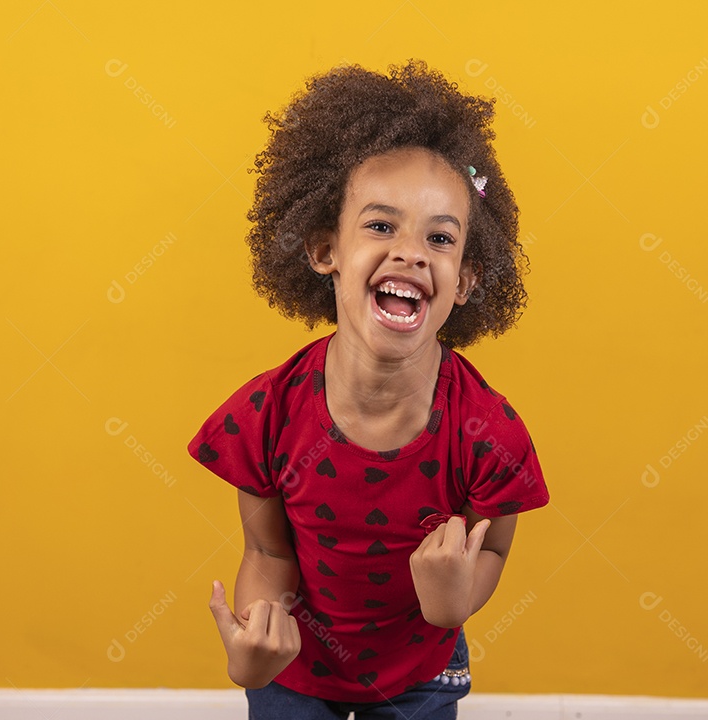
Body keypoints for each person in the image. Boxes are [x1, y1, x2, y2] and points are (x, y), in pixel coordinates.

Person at [187, 59, 550, 719]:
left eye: (439, 237)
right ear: (325, 249)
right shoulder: (266, 416)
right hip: (295, 668)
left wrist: (457, 600)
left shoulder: (489, 435)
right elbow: (267, 550)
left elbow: (493, 545)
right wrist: (251, 649)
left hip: (419, 672)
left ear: (465, 280)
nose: (411, 252)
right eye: (381, 226)